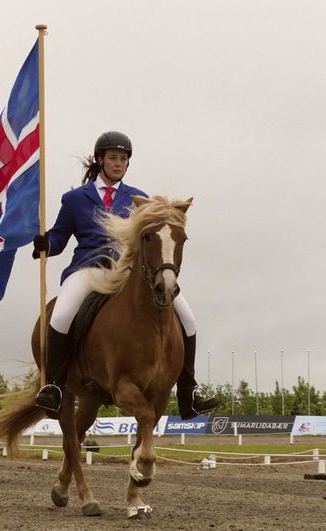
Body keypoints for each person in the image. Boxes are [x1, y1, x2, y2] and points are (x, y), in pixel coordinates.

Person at [32, 131, 218, 420]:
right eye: (113, 158)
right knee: (61, 314)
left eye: (123, 159)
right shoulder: (75, 199)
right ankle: (54, 386)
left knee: (188, 318)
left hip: (127, 270)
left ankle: (188, 390)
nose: (118, 164)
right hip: (88, 268)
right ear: (101, 160)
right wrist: (47, 244)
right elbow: (59, 238)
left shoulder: (139, 201)